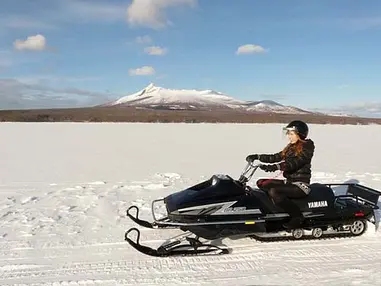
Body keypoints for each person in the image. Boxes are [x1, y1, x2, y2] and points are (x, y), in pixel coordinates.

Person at [246, 120, 315, 229]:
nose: (289, 136)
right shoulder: (290, 147)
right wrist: (257, 156)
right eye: (288, 133)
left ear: (300, 134)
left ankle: (297, 217)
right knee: (261, 183)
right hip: (289, 182)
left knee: (274, 191)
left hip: (301, 185)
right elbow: (275, 157)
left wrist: (276, 167)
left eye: (291, 134)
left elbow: (296, 163)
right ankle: (274, 209)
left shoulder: (307, 147)